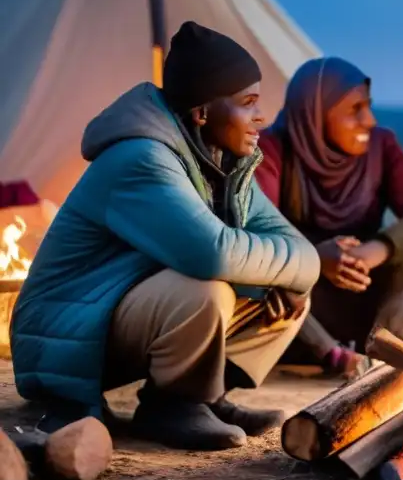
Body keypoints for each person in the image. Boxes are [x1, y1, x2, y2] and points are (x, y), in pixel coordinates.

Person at [11, 22, 321, 451]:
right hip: (59, 335)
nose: (260, 117)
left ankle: (207, 398)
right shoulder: (141, 158)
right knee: (206, 290)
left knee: (290, 293)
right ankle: (174, 404)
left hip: (112, 318)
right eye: (247, 103)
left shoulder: (223, 162)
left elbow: (295, 247)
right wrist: (289, 267)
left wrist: (293, 274)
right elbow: (212, 255)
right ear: (202, 113)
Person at [256, 57, 403, 373]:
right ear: (315, 116)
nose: (369, 120)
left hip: (364, 291)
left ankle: (392, 351)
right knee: (260, 268)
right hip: (299, 309)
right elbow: (259, 235)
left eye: (368, 107)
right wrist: (315, 260)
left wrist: (379, 248)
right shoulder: (272, 150)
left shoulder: (380, 147)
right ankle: (331, 356)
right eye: (354, 110)